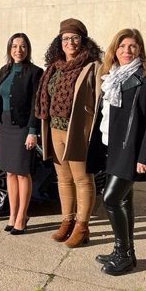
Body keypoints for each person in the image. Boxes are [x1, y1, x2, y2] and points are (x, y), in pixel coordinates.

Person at [87, 29, 146, 275]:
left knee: (110, 199)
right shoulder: (111, 77)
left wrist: (145, 157)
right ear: (114, 49)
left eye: (132, 46)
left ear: (140, 49)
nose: (126, 51)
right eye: (122, 46)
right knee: (124, 199)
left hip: (130, 151)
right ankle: (125, 252)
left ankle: (123, 253)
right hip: (111, 146)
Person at [35, 18, 102, 247]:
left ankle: (82, 227)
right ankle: (67, 221)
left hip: (78, 132)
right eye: (65, 38)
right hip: (55, 129)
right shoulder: (54, 67)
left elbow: (99, 102)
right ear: (59, 41)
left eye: (75, 38)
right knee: (63, 179)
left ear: (83, 41)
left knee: (82, 179)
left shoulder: (92, 67)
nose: (70, 42)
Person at [0, 33, 43, 235]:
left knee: (23, 172)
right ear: (9, 49)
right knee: (10, 172)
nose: (18, 50)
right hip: (6, 126)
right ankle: (12, 215)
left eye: (22, 46)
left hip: (24, 127)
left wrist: (33, 131)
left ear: (28, 49)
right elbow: (0, 100)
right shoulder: (4, 70)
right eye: (14, 46)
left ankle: (22, 216)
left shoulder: (35, 72)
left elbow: (36, 104)